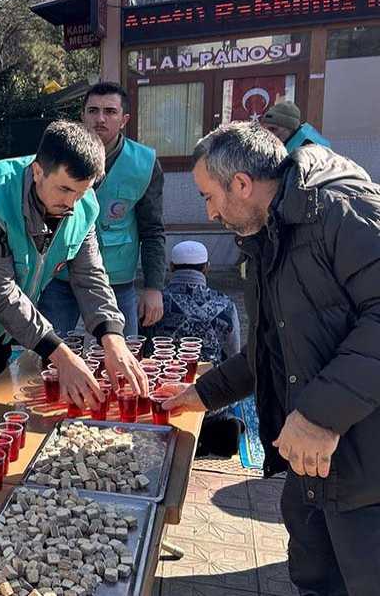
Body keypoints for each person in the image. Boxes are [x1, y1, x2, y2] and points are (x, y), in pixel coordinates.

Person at [164, 121, 380, 594]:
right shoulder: (267, 234)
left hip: (364, 465)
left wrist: (322, 416)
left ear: (241, 184)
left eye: (208, 196)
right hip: (309, 466)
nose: (210, 212)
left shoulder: (344, 211)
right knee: (315, 578)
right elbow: (272, 346)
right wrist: (202, 393)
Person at [0, 120, 148, 422]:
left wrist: (112, 338)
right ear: (37, 171)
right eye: (64, 189)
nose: (71, 203)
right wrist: (61, 356)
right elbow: (0, 289)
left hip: (7, 333)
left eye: (81, 192)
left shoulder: (82, 203)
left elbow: (90, 276)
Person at [37, 82, 166, 337]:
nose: (100, 119)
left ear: (124, 119)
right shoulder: (57, 154)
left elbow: (152, 230)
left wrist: (154, 287)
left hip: (117, 281)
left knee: (124, 353)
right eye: (93, 111)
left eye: (110, 111)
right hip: (60, 277)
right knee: (47, 356)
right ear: (82, 116)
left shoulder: (145, 164)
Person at [148, 239, 244, 457]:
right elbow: (234, 356)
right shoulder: (225, 304)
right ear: (206, 267)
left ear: (171, 267)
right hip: (210, 397)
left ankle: (175, 431)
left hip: (165, 398)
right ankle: (216, 425)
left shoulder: (154, 303)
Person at [261, 100, 331, 154]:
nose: (268, 135)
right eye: (265, 130)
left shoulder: (308, 149)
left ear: (290, 128)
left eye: (273, 129)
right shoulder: (293, 139)